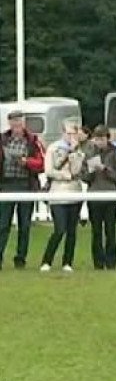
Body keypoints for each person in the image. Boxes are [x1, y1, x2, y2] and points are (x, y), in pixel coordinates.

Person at [0, 110, 45, 270]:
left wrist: (26, 162)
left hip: (25, 184)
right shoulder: (3, 139)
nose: (16, 127)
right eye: (14, 124)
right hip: (6, 185)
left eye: (19, 123)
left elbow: (42, 163)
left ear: (23, 123)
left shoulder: (32, 141)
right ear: (9, 124)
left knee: (24, 224)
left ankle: (21, 257)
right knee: (3, 224)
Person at [40, 122, 87, 272]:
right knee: (59, 229)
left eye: (74, 133)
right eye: (69, 133)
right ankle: (47, 260)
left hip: (75, 193)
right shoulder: (53, 148)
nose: (71, 136)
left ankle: (68, 262)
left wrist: (75, 154)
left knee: (72, 231)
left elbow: (77, 171)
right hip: (58, 193)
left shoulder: (79, 152)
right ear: (63, 133)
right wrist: (64, 175)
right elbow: (49, 170)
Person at [82, 125, 116, 270]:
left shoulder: (115, 153)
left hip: (110, 195)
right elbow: (85, 177)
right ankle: (98, 262)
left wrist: (105, 169)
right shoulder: (89, 153)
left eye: (101, 139)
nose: (99, 142)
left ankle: (111, 261)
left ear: (107, 138)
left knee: (110, 230)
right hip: (94, 195)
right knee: (96, 231)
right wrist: (92, 171)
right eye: (96, 139)